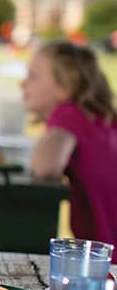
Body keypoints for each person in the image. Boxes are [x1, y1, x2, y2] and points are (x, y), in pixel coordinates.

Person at [22, 40, 117, 259]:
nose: (23, 83)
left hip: (108, 262)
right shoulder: (103, 121)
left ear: (65, 87)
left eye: (33, 76)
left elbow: (45, 167)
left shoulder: (69, 115)